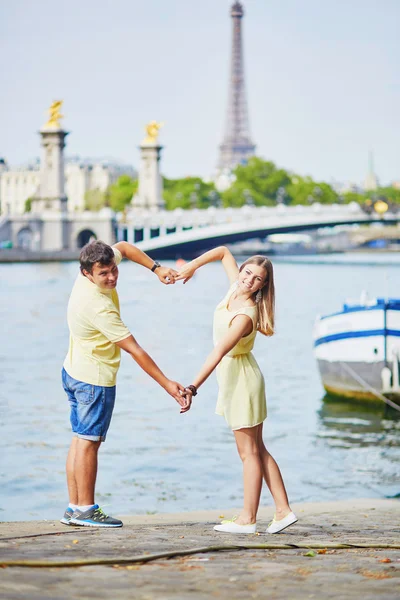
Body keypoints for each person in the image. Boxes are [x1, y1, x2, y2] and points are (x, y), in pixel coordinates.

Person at [61, 240, 191, 528]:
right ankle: (85, 509)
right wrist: (168, 384)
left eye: (113, 270)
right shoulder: (97, 307)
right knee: (89, 443)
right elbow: (136, 350)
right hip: (93, 379)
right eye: (104, 274)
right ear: (87, 274)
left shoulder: (90, 270)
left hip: (74, 370)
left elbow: (124, 247)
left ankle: (74, 507)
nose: (111, 277)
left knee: (80, 439)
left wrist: (156, 268)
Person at [176, 247, 297, 534]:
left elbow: (218, 352)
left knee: (248, 453)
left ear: (263, 286)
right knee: (257, 449)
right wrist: (192, 267)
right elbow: (223, 252)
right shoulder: (235, 289)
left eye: (258, 279)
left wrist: (192, 387)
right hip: (239, 377)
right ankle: (283, 511)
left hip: (242, 381)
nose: (249, 280)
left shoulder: (245, 315)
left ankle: (247, 519)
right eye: (247, 272)